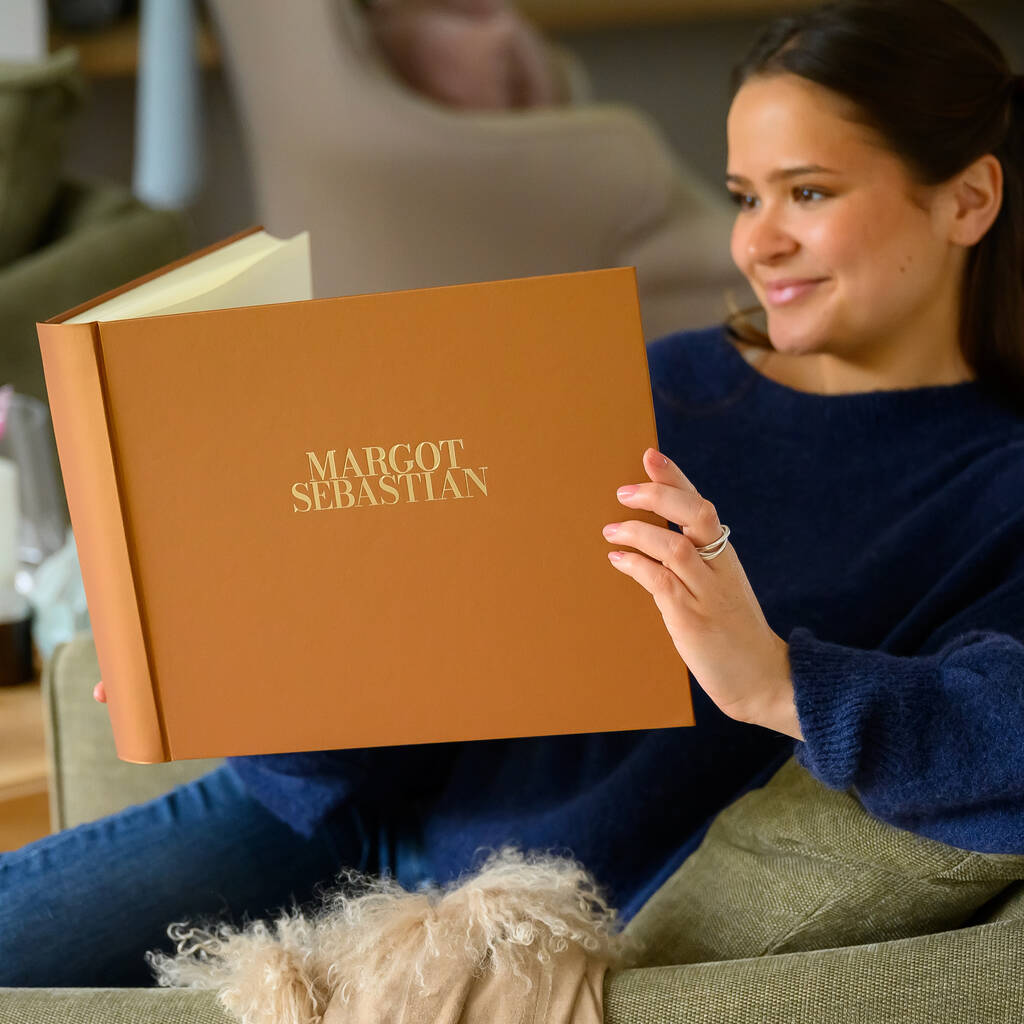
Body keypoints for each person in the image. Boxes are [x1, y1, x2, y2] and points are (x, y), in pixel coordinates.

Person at [3, 0, 1024, 988]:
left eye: (807, 193)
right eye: (745, 196)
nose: (756, 242)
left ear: (968, 199)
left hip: (513, 914)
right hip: (333, 815)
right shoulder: (668, 381)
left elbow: (1003, 729)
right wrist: (235, 668)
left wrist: (772, 679)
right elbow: (439, 657)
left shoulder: (998, 482)